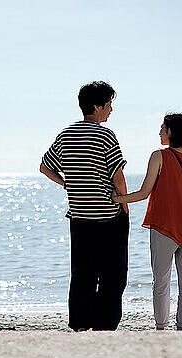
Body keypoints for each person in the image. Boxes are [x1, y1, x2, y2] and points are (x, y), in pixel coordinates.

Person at [40, 81, 130, 331]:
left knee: (83, 273)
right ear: (97, 106)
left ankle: (80, 322)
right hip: (107, 215)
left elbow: (45, 167)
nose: (111, 110)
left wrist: (67, 185)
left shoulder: (66, 134)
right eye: (109, 105)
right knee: (113, 273)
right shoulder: (105, 135)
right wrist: (124, 202)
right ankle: (105, 324)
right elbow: (118, 175)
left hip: (79, 216)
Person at [112, 113, 182, 330]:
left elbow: (144, 193)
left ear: (172, 131)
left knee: (161, 282)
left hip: (164, 227)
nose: (159, 132)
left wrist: (118, 199)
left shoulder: (159, 156)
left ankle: (161, 327)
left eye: (162, 128)